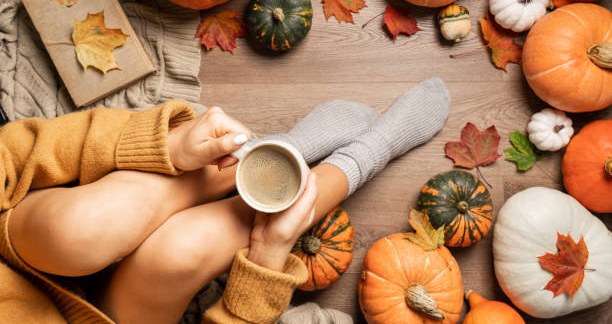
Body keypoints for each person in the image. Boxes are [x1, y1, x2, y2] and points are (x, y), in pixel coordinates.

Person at [0, 78, 450, 324]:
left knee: (80, 229)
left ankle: (255, 158)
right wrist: (268, 259)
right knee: (182, 251)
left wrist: (166, 147)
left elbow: (11, 155)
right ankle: (358, 161)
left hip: (18, 243)